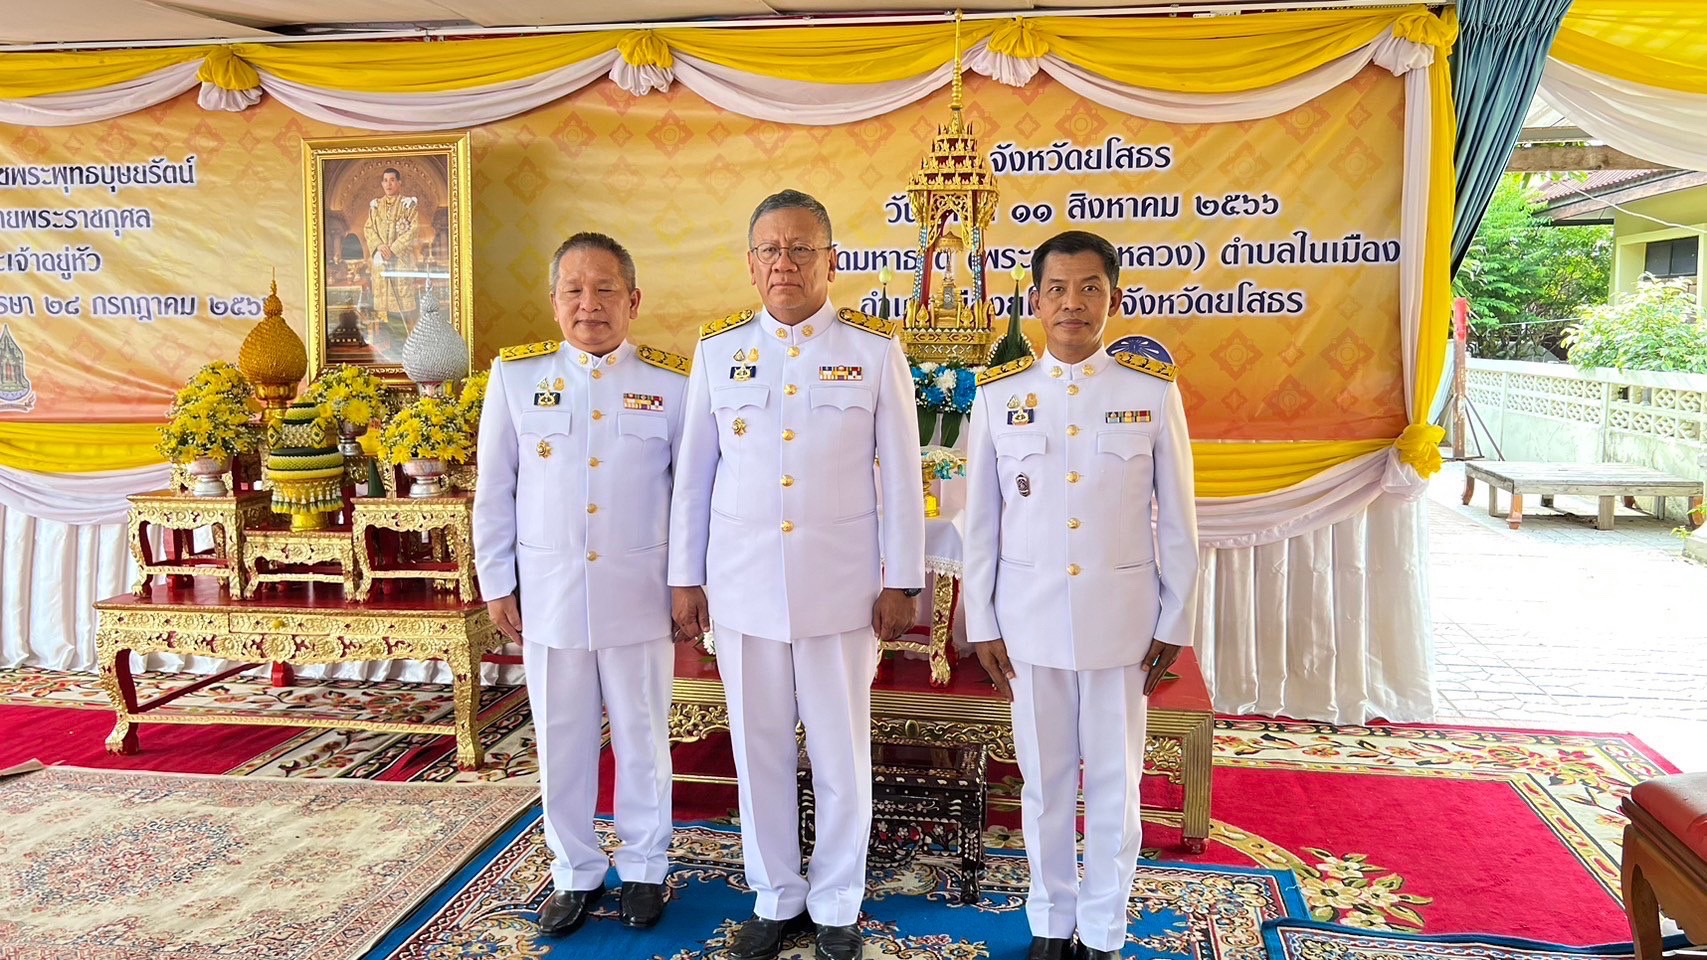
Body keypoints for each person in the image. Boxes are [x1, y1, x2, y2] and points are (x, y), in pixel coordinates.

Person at [668, 189, 926, 960]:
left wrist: (901, 578)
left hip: (841, 585)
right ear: (751, 264)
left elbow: (903, 477)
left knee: (840, 750)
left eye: (801, 249)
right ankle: (776, 893)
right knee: (760, 748)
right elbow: (694, 477)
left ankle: (839, 899)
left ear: (831, 261)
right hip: (743, 586)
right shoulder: (717, 352)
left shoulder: (873, 350)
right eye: (770, 250)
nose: (785, 262)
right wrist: (687, 577)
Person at [962, 230, 1200, 960]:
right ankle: (1049, 923)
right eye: (1057, 289)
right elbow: (981, 525)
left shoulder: (1149, 393)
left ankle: (1101, 928)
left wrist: (1176, 620)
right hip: (1027, 626)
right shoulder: (1000, 398)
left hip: (1120, 624)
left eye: (1088, 288)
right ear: (1034, 301)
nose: (1071, 303)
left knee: (1113, 789)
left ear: (1113, 299)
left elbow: (1180, 520)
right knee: (1042, 783)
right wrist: (982, 621)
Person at [473, 232, 691, 938]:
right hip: (550, 589)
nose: (588, 304)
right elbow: (495, 488)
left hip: (640, 589)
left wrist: (688, 582)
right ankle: (573, 869)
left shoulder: (672, 385)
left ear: (633, 301)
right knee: (561, 735)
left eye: (604, 291)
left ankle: (645, 867)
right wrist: (497, 579)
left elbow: (688, 495)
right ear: (553, 301)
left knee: (642, 733)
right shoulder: (513, 378)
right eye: (573, 289)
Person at [365, 167, 418, 347]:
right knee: (383, 311)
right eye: (385, 180)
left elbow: (414, 229)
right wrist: (379, 247)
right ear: (382, 183)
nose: (388, 184)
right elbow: (368, 229)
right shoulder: (375, 206)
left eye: (392, 180)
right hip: (381, 264)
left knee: (402, 308)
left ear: (399, 183)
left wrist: (393, 249)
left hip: (400, 263)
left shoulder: (408, 205)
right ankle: (386, 350)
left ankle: (407, 346)